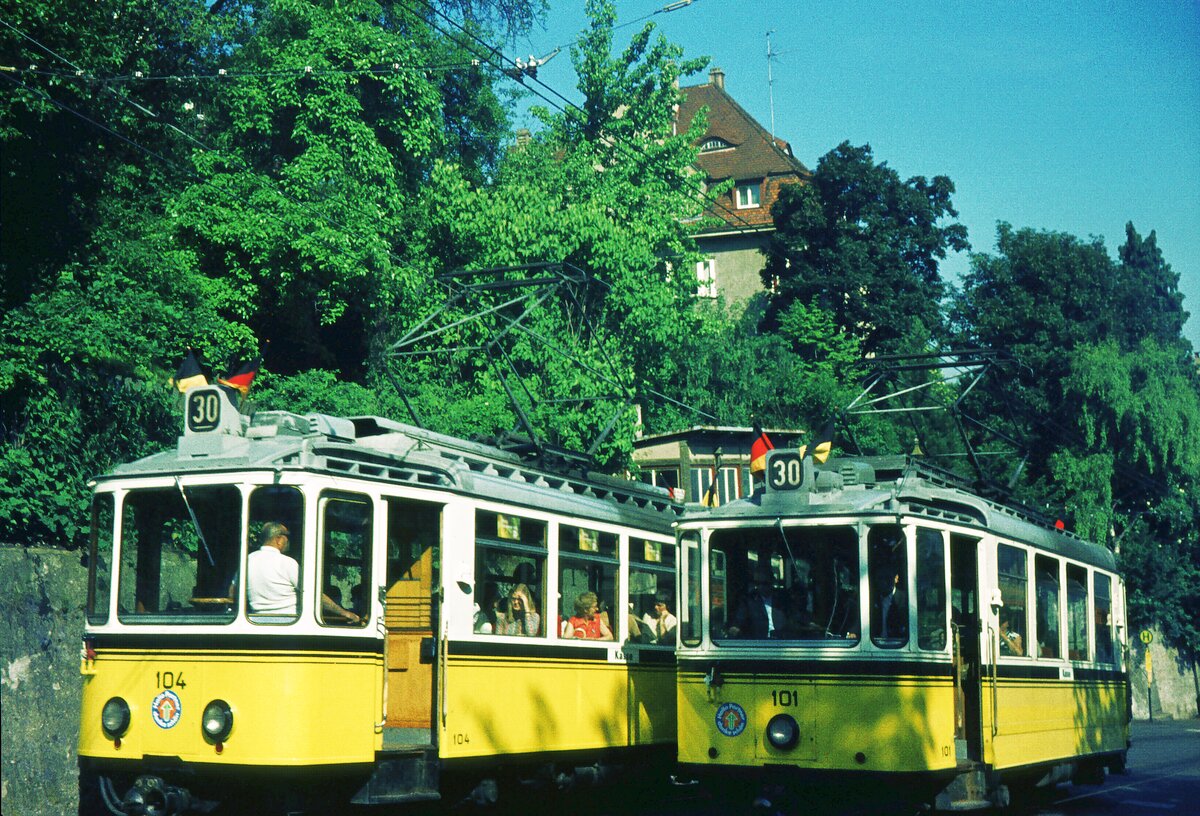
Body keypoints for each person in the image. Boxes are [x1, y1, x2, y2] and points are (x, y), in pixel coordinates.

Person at [246, 523, 359, 623]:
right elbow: (313, 595)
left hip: (256, 621)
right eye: (287, 537)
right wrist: (344, 613)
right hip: (289, 622)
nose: (288, 542)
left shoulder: (247, 560)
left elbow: (233, 593)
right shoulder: (287, 563)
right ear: (279, 539)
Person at [727, 564, 788, 639]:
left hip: (782, 642)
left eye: (765, 583)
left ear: (772, 581)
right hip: (759, 643)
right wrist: (735, 628)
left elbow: (792, 620)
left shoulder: (782, 598)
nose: (761, 586)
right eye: (757, 583)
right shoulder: (749, 600)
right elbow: (739, 620)